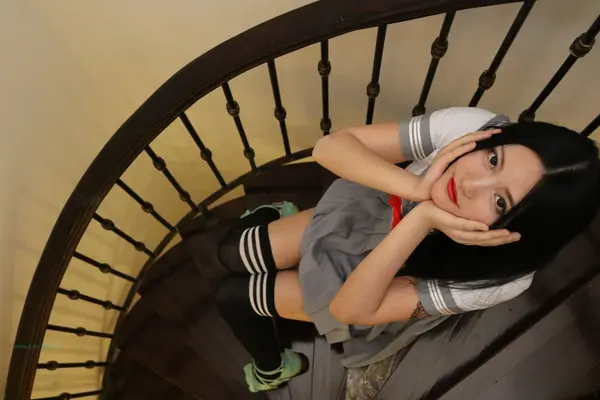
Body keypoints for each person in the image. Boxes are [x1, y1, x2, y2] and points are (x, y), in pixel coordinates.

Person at [213, 107, 600, 393]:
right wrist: (416, 190)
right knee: (229, 252)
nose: (470, 184)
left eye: (500, 202)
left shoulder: (499, 280)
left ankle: (271, 370)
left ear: (514, 234)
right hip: (374, 208)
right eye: (493, 159)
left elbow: (349, 309)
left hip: (379, 274)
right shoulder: (474, 129)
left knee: (233, 296)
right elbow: (330, 148)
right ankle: (285, 220)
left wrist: (421, 219)